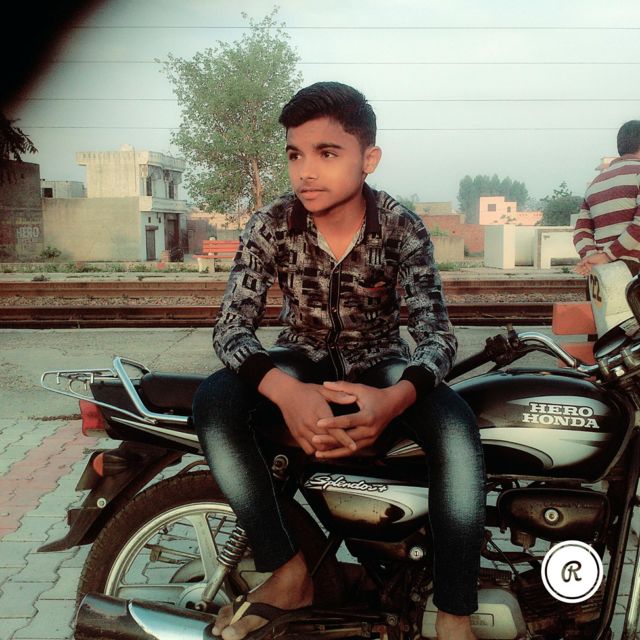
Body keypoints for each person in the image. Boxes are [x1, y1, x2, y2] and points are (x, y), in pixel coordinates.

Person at [193, 81, 485, 640]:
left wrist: (394, 399)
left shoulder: (401, 227)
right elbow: (231, 329)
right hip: (299, 360)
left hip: (379, 365)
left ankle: (454, 616)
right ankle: (287, 571)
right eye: (295, 155)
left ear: (368, 159)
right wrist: (285, 391)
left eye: (327, 153)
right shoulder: (271, 224)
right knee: (214, 399)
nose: (306, 171)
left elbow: (437, 337)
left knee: (456, 425)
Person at [574, 120, 640, 277]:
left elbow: (581, 231)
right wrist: (607, 256)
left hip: (603, 275)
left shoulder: (595, 184)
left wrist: (591, 258)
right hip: (634, 274)